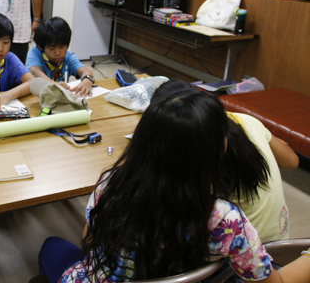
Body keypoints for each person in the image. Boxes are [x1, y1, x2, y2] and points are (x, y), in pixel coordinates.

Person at [37, 89, 310, 283]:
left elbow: (90, 240)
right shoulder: (227, 222)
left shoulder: (112, 183)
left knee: (51, 246)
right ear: (221, 147)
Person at [152, 79, 299, 243]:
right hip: (280, 240)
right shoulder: (247, 121)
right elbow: (292, 161)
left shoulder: (193, 151)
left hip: (241, 254)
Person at [26, 17, 96, 98]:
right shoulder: (35, 53)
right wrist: (54, 85)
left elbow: (85, 71)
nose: (57, 53)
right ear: (41, 47)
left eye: (62, 47)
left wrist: (87, 80)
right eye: (51, 48)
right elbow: (35, 71)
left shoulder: (68, 56)